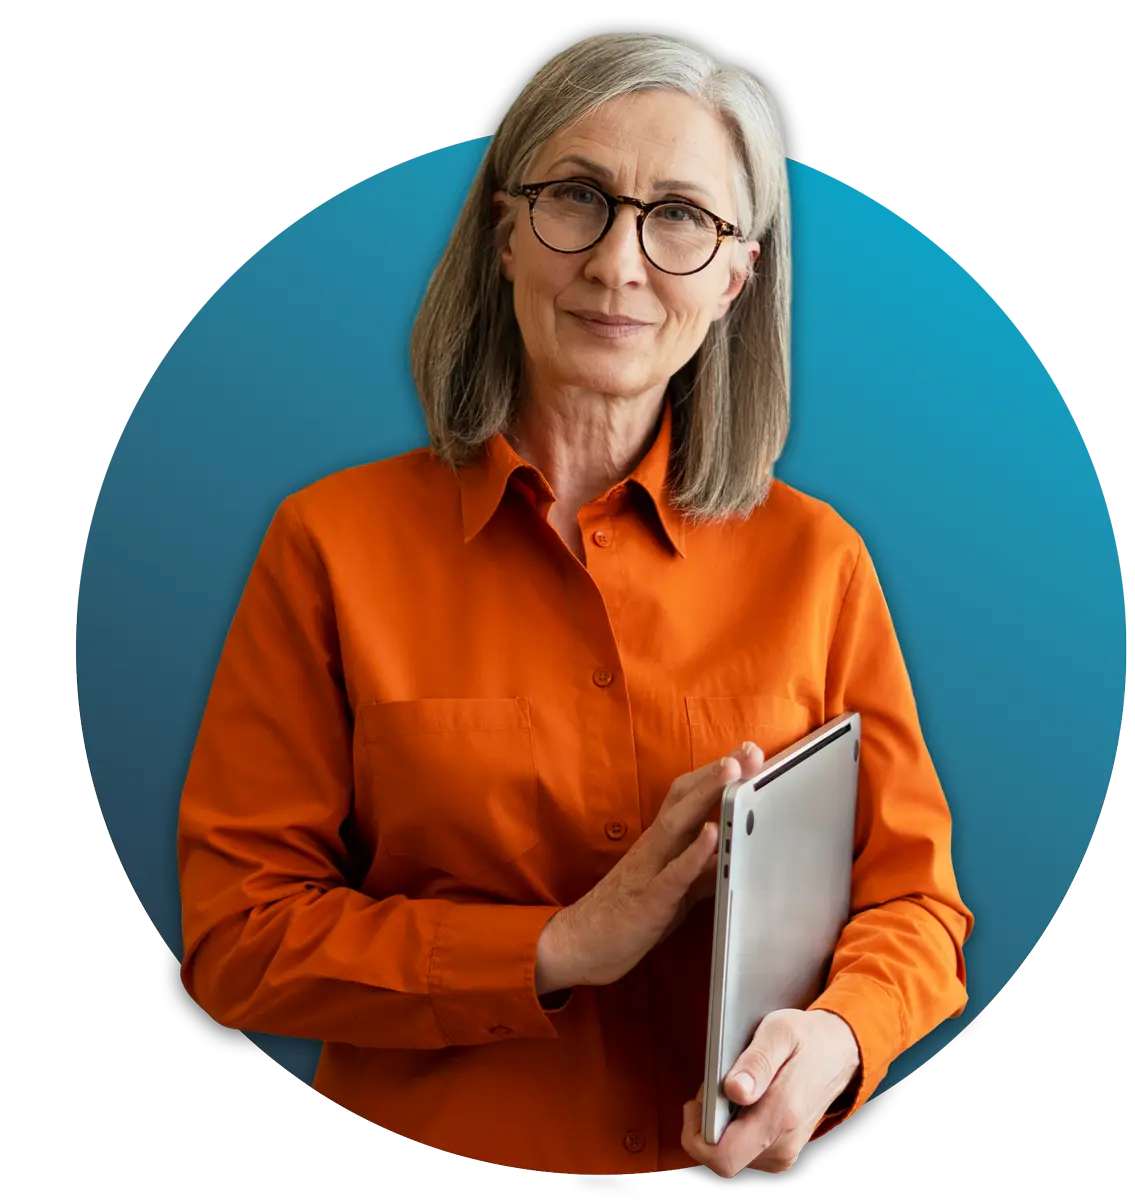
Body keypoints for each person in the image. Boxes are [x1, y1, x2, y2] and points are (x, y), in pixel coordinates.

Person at [177, 29, 973, 1179]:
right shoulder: (327, 545)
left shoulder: (819, 561)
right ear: (505, 231)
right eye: (577, 197)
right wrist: (556, 946)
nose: (618, 263)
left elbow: (918, 909)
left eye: (682, 218)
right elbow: (239, 941)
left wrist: (842, 1034)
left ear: (736, 276)